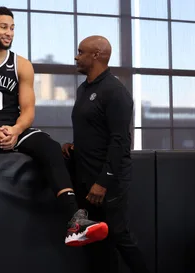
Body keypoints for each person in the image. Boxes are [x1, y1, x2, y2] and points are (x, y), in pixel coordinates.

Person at [0, 6, 108, 265]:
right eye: (3, 26)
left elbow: (29, 110)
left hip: (14, 127)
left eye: (12, 27)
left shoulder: (21, 64)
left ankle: (75, 220)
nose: (8, 32)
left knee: (49, 146)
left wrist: (16, 130)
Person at [62, 35, 150, 273]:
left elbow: (120, 141)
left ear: (96, 55)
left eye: (80, 52)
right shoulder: (84, 89)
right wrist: (74, 146)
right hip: (85, 177)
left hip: (108, 181)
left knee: (119, 235)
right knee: (98, 243)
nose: (76, 56)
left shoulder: (115, 91)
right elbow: (94, 130)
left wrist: (103, 182)